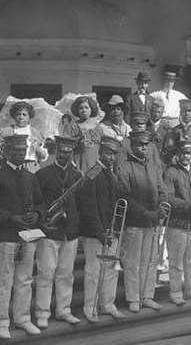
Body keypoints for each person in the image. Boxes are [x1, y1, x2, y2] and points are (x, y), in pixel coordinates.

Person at [0, 134, 46, 339]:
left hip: (28, 235)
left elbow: (41, 203)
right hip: (6, 235)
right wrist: (11, 218)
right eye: (16, 151)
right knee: (4, 280)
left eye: (23, 151)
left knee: (24, 279)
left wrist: (37, 214)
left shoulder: (31, 177)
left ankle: (22, 318)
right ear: (5, 153)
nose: (20, 155)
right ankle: (1, 321)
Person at [34, 136, 82, 327]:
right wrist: (44, 218)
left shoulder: (78, 175)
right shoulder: (43, 174)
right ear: (55, 152)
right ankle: (42, 312)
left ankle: (64, 310)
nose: (64, 155)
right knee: (45, 272)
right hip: (50, 229)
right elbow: (38, 200)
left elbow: (81, 203)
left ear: (72, 153)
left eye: (68, 152)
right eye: (61, 151)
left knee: (66, 273)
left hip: (70, 230)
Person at [118, 129, 167, 312]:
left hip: (152, 222)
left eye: (146, 144)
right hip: (134, 222)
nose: (144, 147)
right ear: (132, 146)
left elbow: (162, 191)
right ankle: (133, 299)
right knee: (132, 262)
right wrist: (146, 213)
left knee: (150, 260)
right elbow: (125, 196)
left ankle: (147, 296)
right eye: (139, 144)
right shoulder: (125, 167)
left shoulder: (154, 167)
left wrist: (162, 205)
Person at [77, 136, 125, 322]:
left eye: (113, 154)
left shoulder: (110, 175)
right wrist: (99, 231)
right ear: (100, 152)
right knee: (93, 273)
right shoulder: (92, 174)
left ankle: (108, 305)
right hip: (95, 234)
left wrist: (113, 230)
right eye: (107, 153)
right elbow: (88, 207)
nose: (111, 157)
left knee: (111, 270)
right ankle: (90, 309)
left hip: (111, 231)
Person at [163, 141, 191, 305]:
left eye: (188, 154)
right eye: (182, 153)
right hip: (177, 224)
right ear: (177, 155)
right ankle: (175, 293)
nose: (186, 157)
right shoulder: (170, 173)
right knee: (176, 262)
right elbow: (168, 197)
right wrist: (188, 205)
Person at [0, 101, 48, 173]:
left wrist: (37, 148)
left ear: (29, 117)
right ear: (14, 116)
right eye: (18, 114)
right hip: (12, 168)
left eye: (24, 114)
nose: (21, 117)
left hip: (32, 167)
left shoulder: (36, 133)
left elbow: (43, 156)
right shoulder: (6, 132)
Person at [61, 95, 103, 173]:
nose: (84, 110)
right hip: (79, 164)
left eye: (86, 108)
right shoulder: (72, 127)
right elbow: (66, 147)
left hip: (95, 166)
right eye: (81, 108)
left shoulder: (98, 128)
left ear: (91, 109)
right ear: (77, 110)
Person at [163, 99, 191, 166]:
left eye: (190, 111)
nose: (187, 113)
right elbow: (165, 153)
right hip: (176, 168)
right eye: (184, 111)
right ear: (181, 112)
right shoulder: (172, 132)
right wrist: (172, 158)